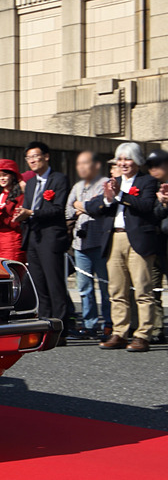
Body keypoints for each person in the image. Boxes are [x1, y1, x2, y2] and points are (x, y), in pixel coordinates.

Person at [87, 143, 159, 352]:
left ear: (137, 161)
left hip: (138, 239)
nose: (123, 163)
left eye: (127, 159)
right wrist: (108, 199)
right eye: (120, 159)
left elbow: (147, 206)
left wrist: (121, 196)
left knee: (143, 290)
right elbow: (93, 206)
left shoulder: (148, 181)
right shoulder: (113, 182)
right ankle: (119, 332)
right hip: (114, 238)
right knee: (117, 290)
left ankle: (143, 335)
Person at [13, 141, 73, 341]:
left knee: (54, 284)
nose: (32, 160)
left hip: (51, 237)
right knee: (39, 285)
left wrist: (31, 213)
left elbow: (57, 209)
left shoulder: (59, 179)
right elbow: (28, 208)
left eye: (35, 156)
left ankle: (60, 329)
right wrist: (21, 215)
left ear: (46, 157)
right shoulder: (30, 183)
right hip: (33, 237)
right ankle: (45, 326)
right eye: (28, 158)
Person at [65, 151, 110, 339]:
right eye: (79, 164)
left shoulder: (104, 183)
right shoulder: (77, 186)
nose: (82, 167)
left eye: (86, 163)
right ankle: (89, 324)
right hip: (80, 244)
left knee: (106, 287)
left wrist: (80, 206)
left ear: (96, 165)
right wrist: (82, 207)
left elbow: (99, 208)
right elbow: (68, 211)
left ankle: (108, 324)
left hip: (100, 243)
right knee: (84, 287)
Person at [146, 149, 168, 344]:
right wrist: (161, 204)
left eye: (157, 165)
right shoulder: (148, 186)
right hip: (154, 244)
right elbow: (150, 214)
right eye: (150, 166)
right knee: (153, 289)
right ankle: (157, 329)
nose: (153, 170)